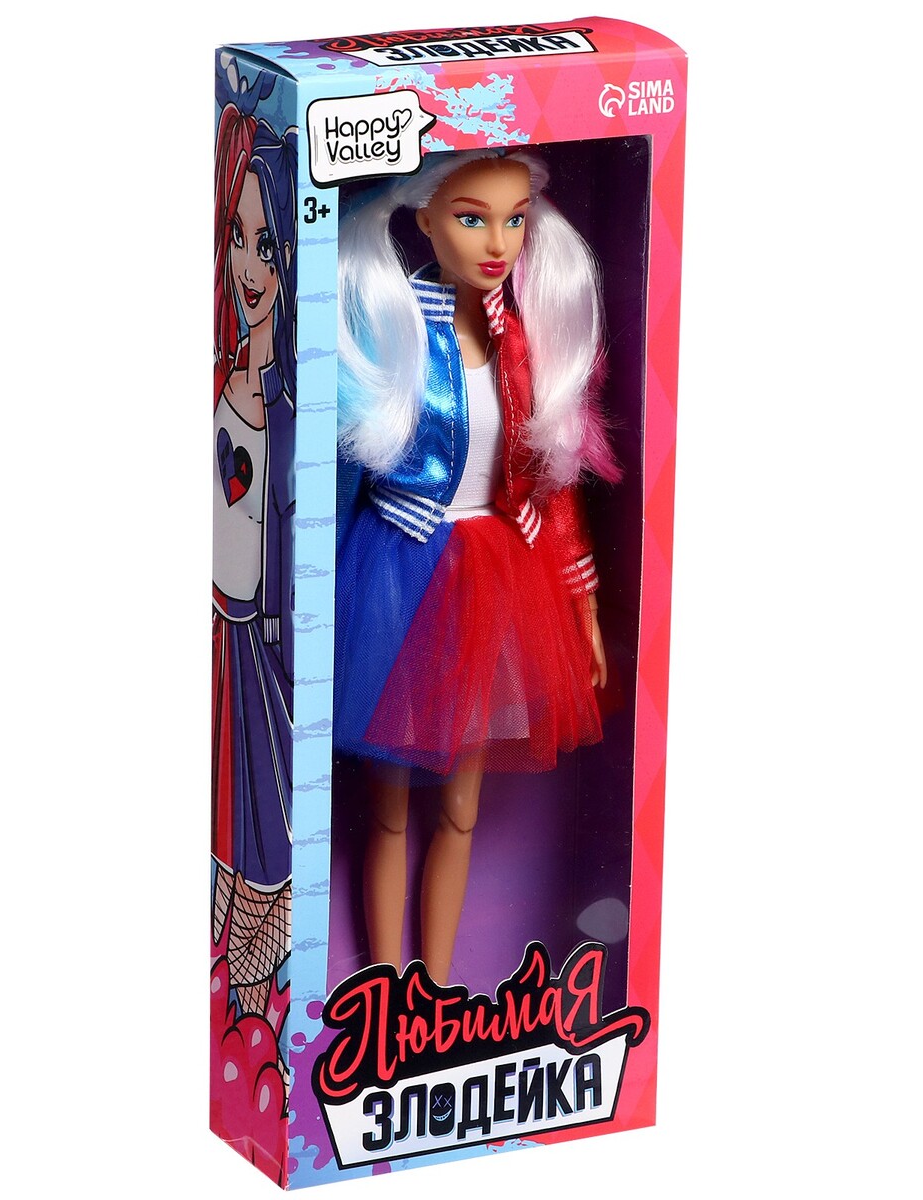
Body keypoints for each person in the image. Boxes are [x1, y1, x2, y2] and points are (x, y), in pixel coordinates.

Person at [334, 148, 619, 986]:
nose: (498, 242)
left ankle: (438, 988)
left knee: (460, 811)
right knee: (389, 813)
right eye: (471, 218)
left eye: (514, 219)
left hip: (495, 581)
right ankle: (388, 994)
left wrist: (583, 609)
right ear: (422, 219)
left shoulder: (522, 344)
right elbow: (343, 477)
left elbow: (550, 490)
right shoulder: (396, 336)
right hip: (395, 570)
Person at [212, 102, 297, 1016]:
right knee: (238, 809)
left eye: (266, 247)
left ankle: (265, 968)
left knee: (274, 812)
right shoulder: (224, 374)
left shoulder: (291, 402)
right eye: (238, 238)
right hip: (228, 635)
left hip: (275, 642)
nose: (248, 267)